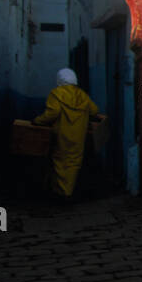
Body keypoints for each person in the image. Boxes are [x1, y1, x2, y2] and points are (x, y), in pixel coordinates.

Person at [33, 68, 102, 200]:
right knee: (74, 162)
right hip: (79, 136)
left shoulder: (56, 94)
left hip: (61, 134)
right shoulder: (82, 95)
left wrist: (37, 121)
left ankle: (61, 192)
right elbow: (94, 110)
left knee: (59, 161)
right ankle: (68, 191)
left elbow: (52, 113)